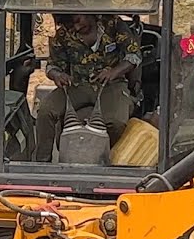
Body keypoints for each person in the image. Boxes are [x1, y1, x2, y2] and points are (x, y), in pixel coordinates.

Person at [35, 13, 140, 162]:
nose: (77, 27)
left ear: (88, 13)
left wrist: (114, 72)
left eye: (78, 20)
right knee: (45, 111)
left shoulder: (113, 24)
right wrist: (57, 75)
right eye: (72, 24)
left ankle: (102, 159)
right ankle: (42, 163)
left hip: (111, 84)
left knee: (117, 123)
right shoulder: (63, 34)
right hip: (77, 84)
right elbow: (52, 65)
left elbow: (134, 55)